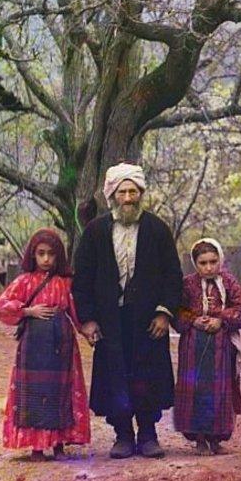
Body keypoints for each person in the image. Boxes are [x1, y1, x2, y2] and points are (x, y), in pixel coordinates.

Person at [72, 163, 183, 459]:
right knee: (115, 375)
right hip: (110, 320)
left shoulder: (157, 229)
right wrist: (88, 320)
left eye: (133, 192)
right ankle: (122, 435)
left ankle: (148, 435)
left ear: (141, 193)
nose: (129, 198)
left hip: (148, 320)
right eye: (122, 192)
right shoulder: (95, 232)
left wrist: (164, 313)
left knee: (148, 376)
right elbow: (82, 280)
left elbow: (173, 275)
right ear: (112, 196)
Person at [0, 228, 91, 461]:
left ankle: (58, 444)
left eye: (51, 254)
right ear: (33, 255)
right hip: (33, 347)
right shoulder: (24, 281)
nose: (46, 259)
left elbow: (77, 312)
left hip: (62, 346)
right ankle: (36, 447)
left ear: (59, 255)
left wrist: (87, 330)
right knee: (34, 393)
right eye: (41, 253)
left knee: (61, 391)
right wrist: (28, 311)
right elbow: (2, 306)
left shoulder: (66, 283)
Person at [173, 238, 241, 455]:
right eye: (203, 263)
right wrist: (193, 320)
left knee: (219, 389)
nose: (208, 267)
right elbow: (176, 311)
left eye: (213, 262)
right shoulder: (188, 284)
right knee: (195, 389)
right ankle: (199, 439)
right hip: (193, 347)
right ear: (195, 263)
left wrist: (221, 320)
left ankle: (216, 439)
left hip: (221, 346)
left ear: (220, 261)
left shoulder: (229, 282)